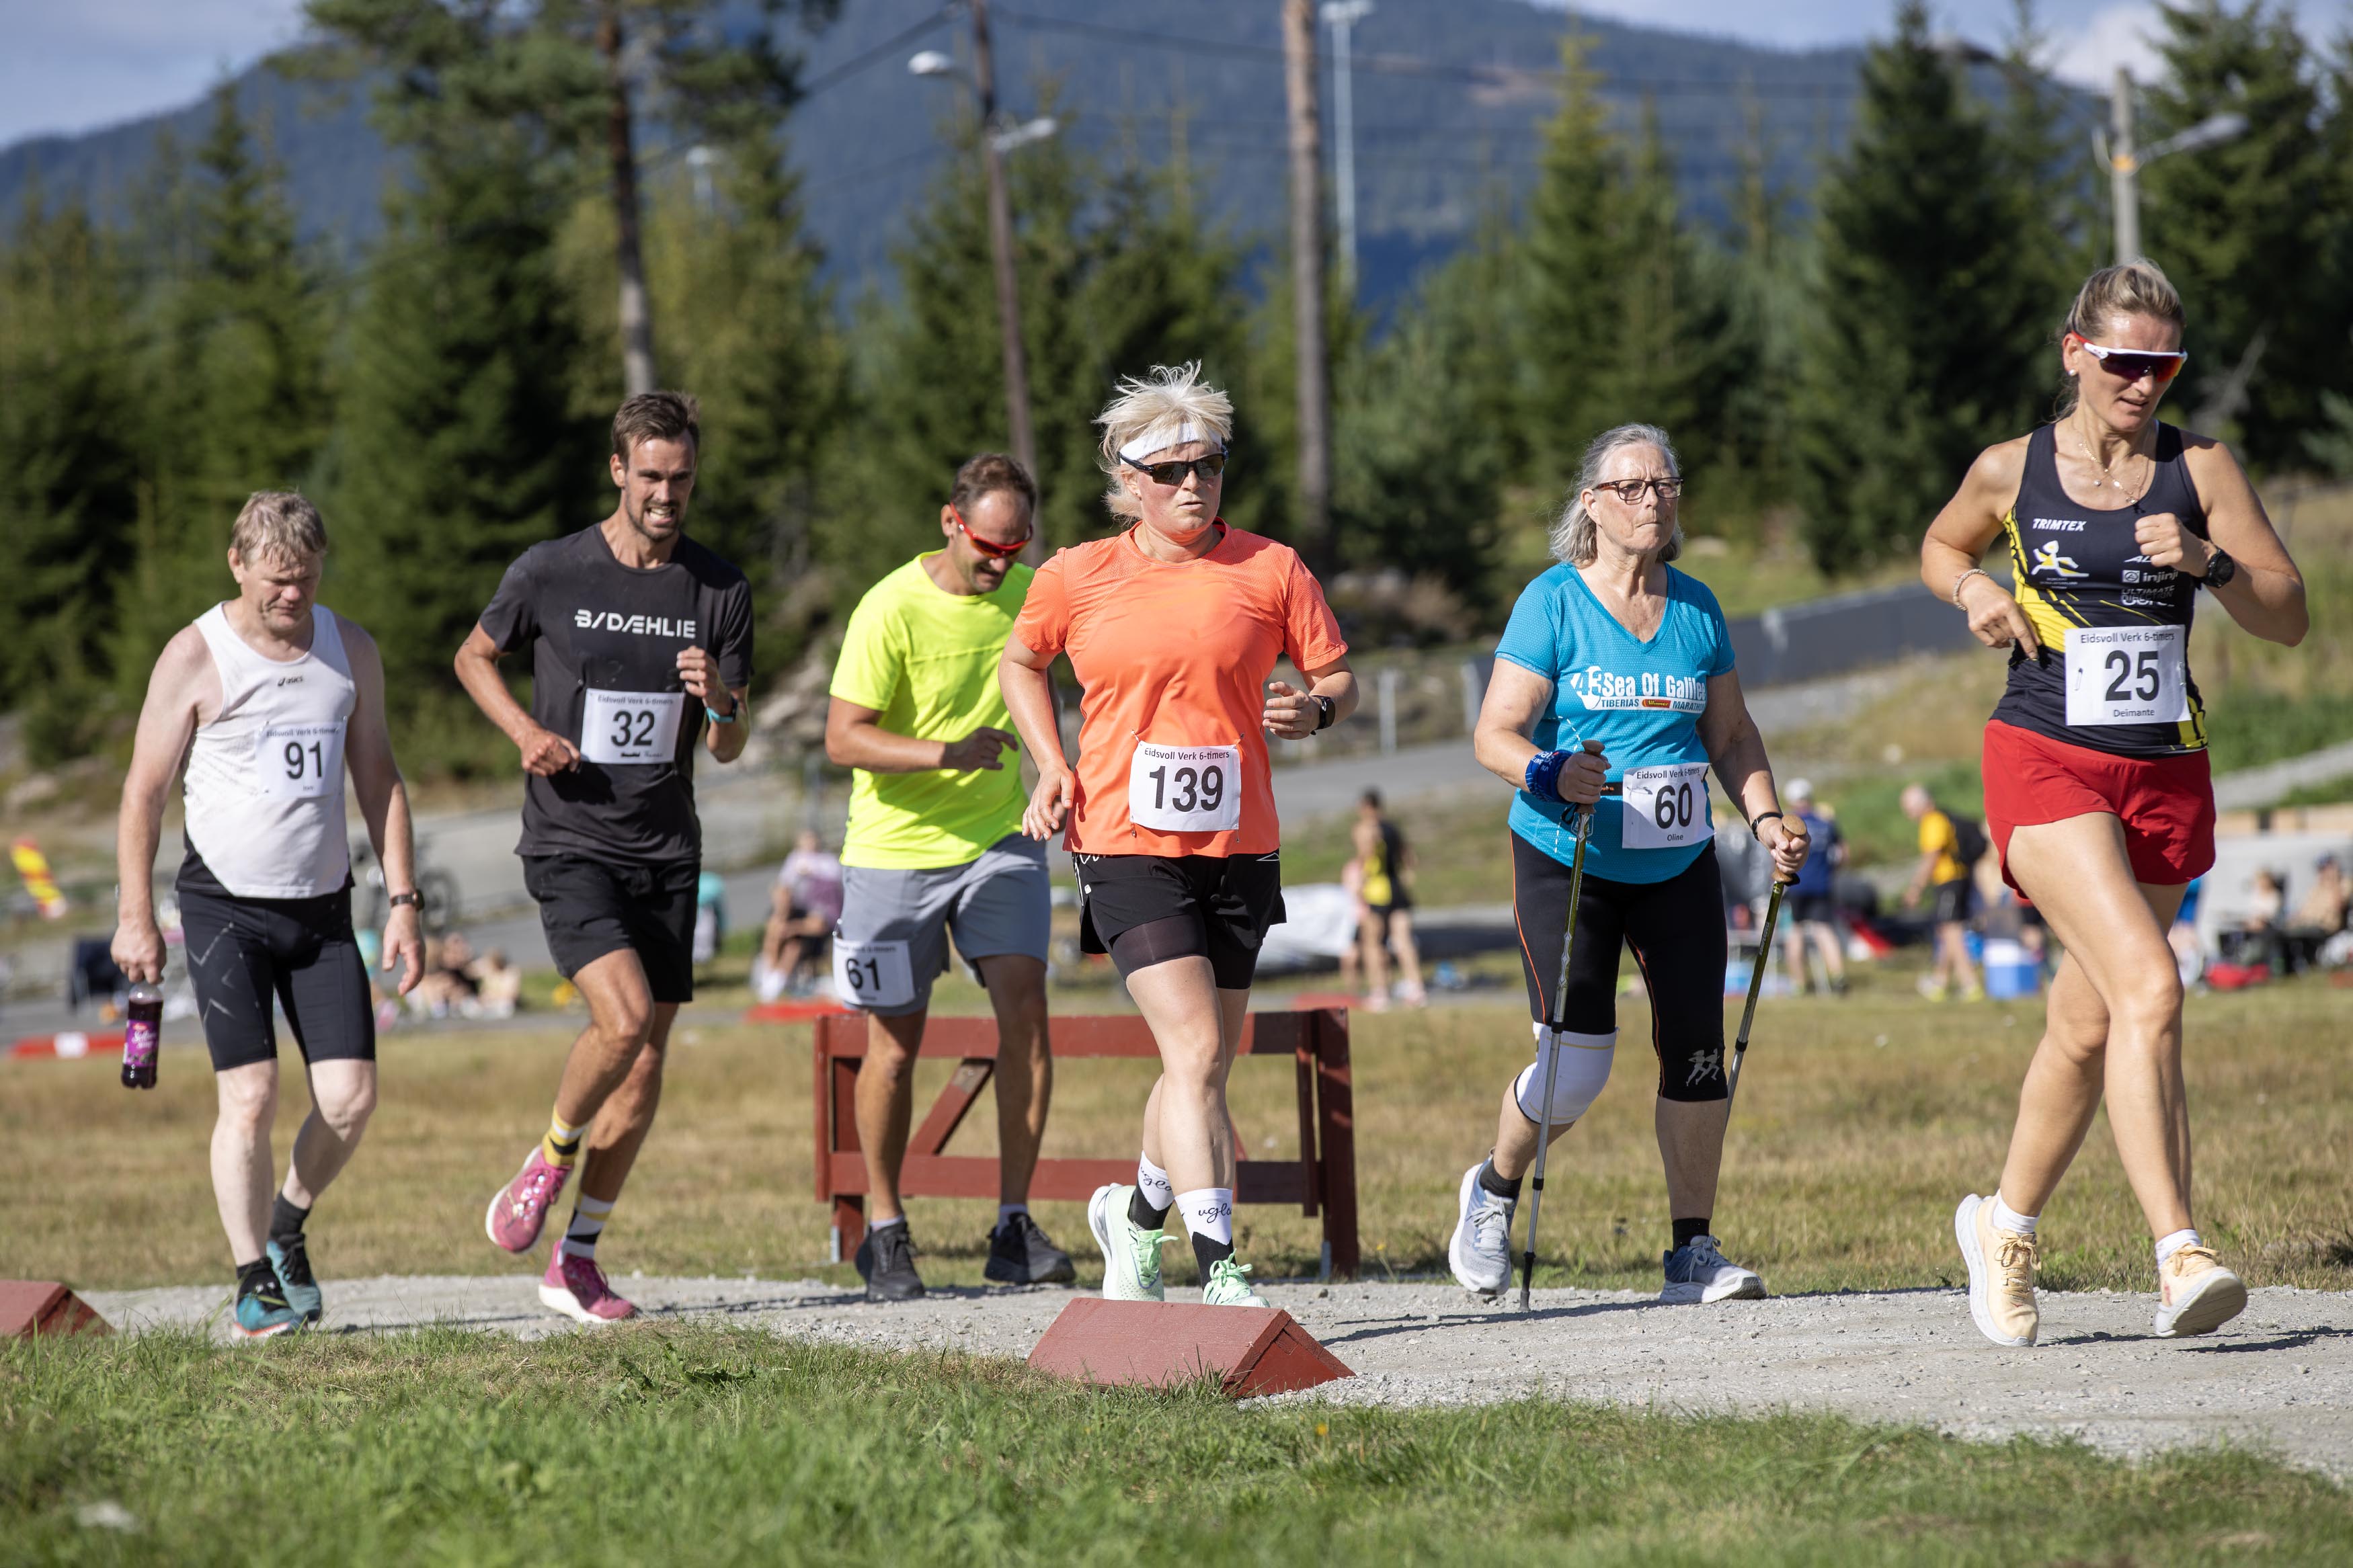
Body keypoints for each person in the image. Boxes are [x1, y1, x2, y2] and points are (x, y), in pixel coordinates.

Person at [1922, 259, 2307, 1346]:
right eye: (2125, 362)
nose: (2144, 384)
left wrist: (2208, 561)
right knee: (2151, 982)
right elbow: (1941, 542)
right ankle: (2181, 1250)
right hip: (2045, 754)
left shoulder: (2202, 469)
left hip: (2165, 766)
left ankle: (2002, 1225)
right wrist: (1974, 589)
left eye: (2164, 365)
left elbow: (2290, 614)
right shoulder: (2012, 467)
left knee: (2090, 1021)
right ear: (2075, 354)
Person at [1001, 364, 1357, 1308]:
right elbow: (1020, 662)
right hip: (1124, 840)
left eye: (1209, 465)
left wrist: (1315, 712)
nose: (1192, 485)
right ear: (1127, 482)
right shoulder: (1075, 574)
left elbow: (1336, 677)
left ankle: (1135, 1218)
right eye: (1169, 472)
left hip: (1240, 844)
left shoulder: (1272, 568)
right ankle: (1220, 1263)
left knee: (1198, 1063)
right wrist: (1050, 762)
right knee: (1196, 1053)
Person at [1443, 423, 1811, 1305]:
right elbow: (1495, 732)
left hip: (1678, 861)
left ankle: (1692, 1251)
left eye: (1665, 485)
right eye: (1633, 487)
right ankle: (1492, 1191)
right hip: (1569, 856)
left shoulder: (1696, 609)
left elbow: (1729, 732)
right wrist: (1549, 769)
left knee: (1697, 1056)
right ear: (1593, 505)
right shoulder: (1553, 604)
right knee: (1576, 1066)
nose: (1653, 500)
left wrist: (1765, 816)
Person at [458, 390, 753, 1325]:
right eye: (652, 477)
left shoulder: (719, 589)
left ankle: (575, 1259)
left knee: (646, 1063)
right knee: (620, 1021)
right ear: (619, 470)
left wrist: (723, 702)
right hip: (572, 837)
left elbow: (729, 746)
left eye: (683, 479)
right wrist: (522, 730)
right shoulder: (553, 570)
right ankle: (549, 1155)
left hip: (667, 850)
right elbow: (473, 656)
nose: (668, 495)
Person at [112, 492, 424, 1338]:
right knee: (249, 1095)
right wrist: (134, 913)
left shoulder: (348, 647)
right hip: (225, 910)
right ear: (239, 564)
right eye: (278, 581)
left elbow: (379, 777)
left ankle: (288, 1224)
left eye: (309, 580)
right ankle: (252, 1278)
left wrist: (403, 901)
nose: (294, 597)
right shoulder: (193, 655)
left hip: (322, 911)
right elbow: (142, 792)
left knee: (351, 1098)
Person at [826, 452, 1072, 1300]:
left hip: (1000, 840)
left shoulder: (1031, 596)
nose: (1002, 562)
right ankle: (887, 1230)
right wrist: (946, 753)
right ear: (948, 521)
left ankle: (1012, 1222)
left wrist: (1052, 768)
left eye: (1017, 546)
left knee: (1025, 1012)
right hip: (893, 852)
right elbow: (843, 737)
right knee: (893, 1046)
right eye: (987, 546)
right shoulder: (888, 608)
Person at [1902, 784, 1983, 1001]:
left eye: (1908, 807)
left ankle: (1970, 983)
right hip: (1957, 879)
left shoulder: (1933, 820)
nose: (1907, 812)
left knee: (1951, 930)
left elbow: (1932, 856)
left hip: (1950, 881)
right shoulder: (1941, 817)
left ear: (1922, 804)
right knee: (1946, 930)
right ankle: (1940, 982)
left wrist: (1916, 887)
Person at [1353, 790, 1426, 1010]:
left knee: (1372, 943)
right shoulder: (1393, 828)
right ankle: (1416, 989)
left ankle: (1380, 992)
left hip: (1377, 890)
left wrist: (1360, 886)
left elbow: (1366, 858)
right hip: (1397, 889)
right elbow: (1409, 858)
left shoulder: (1366, 829)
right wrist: (1407, 877)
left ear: (1366, 807)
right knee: (1404, 941)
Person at [756, 829, 843, 1001]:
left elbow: (832, 898)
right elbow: (783, 887)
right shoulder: (794, 860)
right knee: (779, 931)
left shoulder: (828, 863)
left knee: (793, 940)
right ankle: (771, 976)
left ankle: (773, 983)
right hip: (798, 913)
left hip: (821, 915)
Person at [1780, 779, 1848, 997]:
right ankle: (1838, 977)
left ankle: (1799, 984)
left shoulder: (1788, 825)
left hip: (1795, 886)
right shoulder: (1827, 823)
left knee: (1795, 933)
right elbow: (1844, 854)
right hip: (1822, 885)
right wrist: (1830, 871)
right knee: (1824, 931)